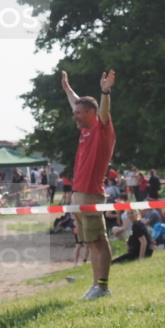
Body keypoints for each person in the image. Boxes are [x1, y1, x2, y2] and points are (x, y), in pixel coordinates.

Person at [61, 68, 117, 300]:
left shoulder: (100, 128)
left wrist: (105, 92)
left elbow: (103, 112)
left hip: (91, 194)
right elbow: (76, 102)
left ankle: (102, 286)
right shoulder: (85, 129)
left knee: (98, 241)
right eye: (75, 112)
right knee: (91, 243)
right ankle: (96, 285)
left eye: (80, 113)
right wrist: (67, 88)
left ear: (92, 113)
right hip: (78, 195)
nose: (75, 115)